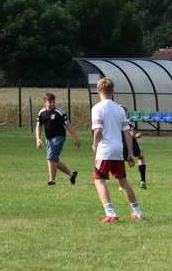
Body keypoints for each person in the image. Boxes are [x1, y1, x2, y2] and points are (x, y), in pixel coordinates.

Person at [91, 77, 145, 223]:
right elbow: (127, 133)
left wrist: (95, 144)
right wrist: (130, 153)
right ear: (112, 91)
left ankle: (110, 213)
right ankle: (138, 212)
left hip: (105, 150)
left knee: (99, 180)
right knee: (122, 181)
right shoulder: (119, 109)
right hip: (118, 151)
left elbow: (98, 130)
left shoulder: (97, 108)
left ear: (98, 90)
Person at [35, 92, 80, 186]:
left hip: (59, 137)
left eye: (53, 102)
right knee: (54, 160)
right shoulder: (41, 113)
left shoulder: (59, 112)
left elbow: (68, 126)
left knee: (50, 157)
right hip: (49, 138)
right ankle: (71, 173)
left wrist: (76, 138)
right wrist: (38, 138)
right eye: (50, 102)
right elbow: (38, 126)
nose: (52, 104)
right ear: (45, 102)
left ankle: (52, 180)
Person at [120, 105, 148, 189]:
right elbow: (131, 134)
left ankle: (122, 184)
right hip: (131, 144)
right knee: (141, 157)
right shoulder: (126, 122)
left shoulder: (114, 122)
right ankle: (143, 180)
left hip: (119, 145)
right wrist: (136, 135)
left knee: (120, 162)